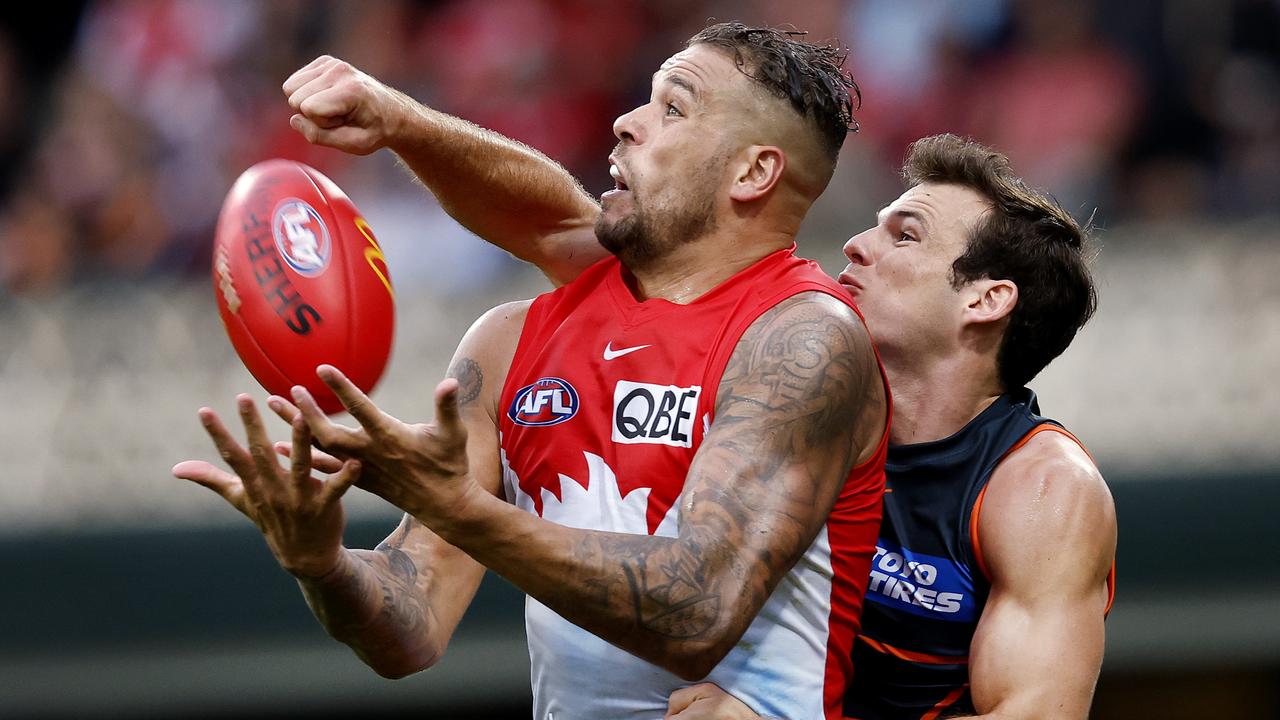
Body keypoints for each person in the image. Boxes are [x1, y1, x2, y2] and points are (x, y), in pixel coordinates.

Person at [324, 54, 1118, 715]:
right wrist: (399, 121)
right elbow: (563, 227)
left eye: (903, 233)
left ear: (985, 300)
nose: (854, 242)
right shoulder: (800, 346)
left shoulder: (1039, 491)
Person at [175, 23, 890, 720]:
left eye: (672, 106)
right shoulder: (512, 341)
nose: (626, 122)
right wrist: (322, 564)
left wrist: (459, 506)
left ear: (754, 171)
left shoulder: (801, 339)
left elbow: (699, 608)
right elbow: (410, 623)